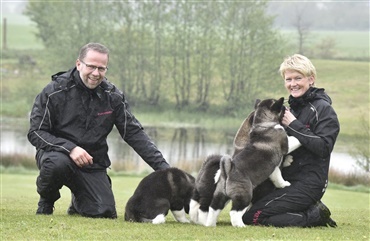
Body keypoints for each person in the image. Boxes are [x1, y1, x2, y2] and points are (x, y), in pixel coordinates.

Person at [27, 43, 170, 218]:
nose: (96, 73)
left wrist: (166, 170)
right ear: (79, 64)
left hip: (92, 163)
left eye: (101, 68)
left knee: (104, 212)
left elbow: (133, 133)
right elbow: (36, 132)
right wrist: (70, 148)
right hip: (57, 155)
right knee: (55, 165)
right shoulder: (54, 92)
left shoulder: (113, 96)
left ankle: (79, 203)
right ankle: (46, 201)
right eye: (91, 66)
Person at [242, 54, 339, 227]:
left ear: (311, 79)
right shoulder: (285, 108)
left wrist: (293, 124)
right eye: (288, 79)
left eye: (298, 78)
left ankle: (315, 215)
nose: (293, 84)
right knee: (250, 205)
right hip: (284, 180)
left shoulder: (324, 110)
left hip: (309, 184)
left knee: (252, 217)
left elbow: (324, 147)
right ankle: (306, 208)